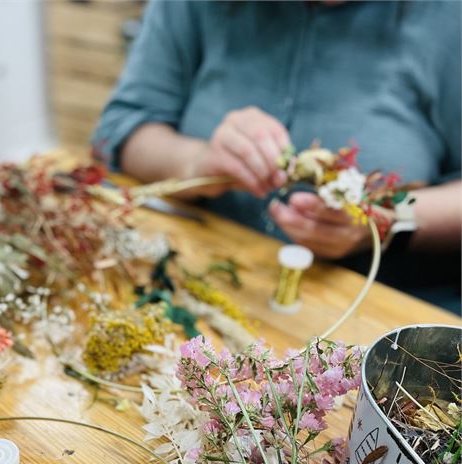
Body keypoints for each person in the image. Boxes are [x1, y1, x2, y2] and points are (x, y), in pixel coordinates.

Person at [92, 0, 461, 312]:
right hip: (199, 279)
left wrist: (386, 219)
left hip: (374, 309)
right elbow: (121, 130)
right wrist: (197, 162)